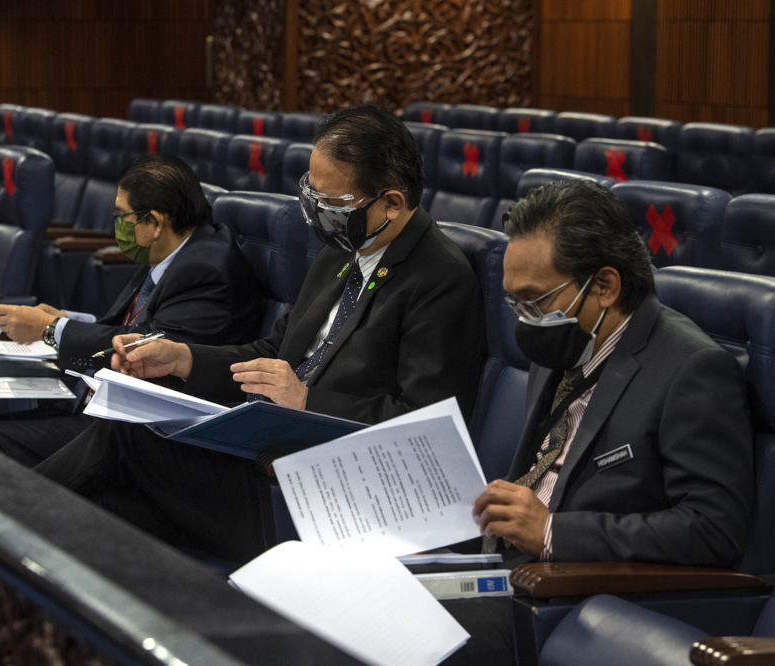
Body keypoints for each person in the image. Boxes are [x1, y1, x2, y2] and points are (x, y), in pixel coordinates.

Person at [33, 103, 486, 562]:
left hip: (331, 496)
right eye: (312, 194)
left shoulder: (439, 277)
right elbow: (275, 352)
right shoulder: (343, 250)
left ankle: (9, 518)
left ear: (391, 202)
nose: (317, 214)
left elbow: (427, 428)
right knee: (100, 508)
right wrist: (183, 358)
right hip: (267, 462)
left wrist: (308, 400)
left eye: (333, 205)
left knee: (126, 439)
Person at [459, 179, 753, 665]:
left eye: (534, 301)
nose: (524, 320)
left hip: (569, 594)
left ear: (605, 286)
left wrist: (554, 532)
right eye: (514, 303)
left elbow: (712, 528)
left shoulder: (692, 369)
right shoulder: (562, 338)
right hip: (497, 564)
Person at [0, 154, 263, 466]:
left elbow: (147, 349)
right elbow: (136, 325)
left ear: (156, 222)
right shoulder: (178, 249)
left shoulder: (204, 272)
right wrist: (67, 321)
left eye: (122, 215)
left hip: (138, 435)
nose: (117, 225)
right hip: (99, 407)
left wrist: (49, 329)